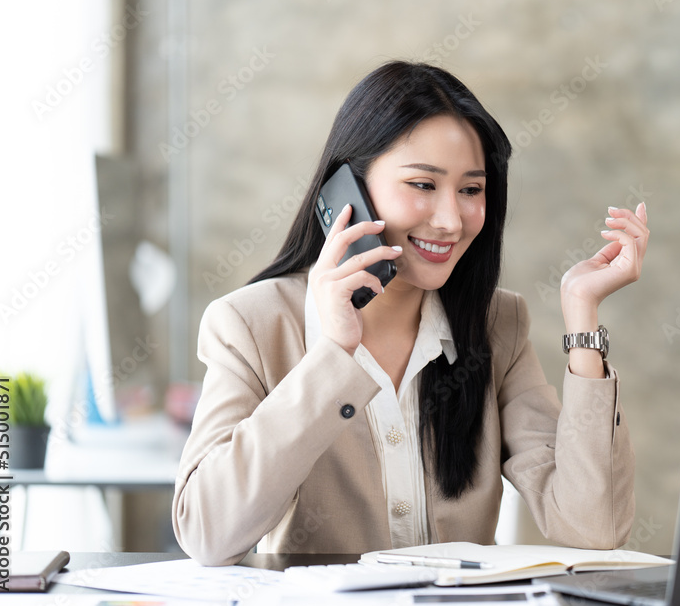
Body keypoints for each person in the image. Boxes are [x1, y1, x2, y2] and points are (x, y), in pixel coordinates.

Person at [172, 61, 650, 566]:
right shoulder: (250, 326)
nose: (449, 221)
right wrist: (333, 355)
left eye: (470, 190)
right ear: (346, 191)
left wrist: (583, 321)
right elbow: (207, 533)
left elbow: (592, 525)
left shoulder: (497, 325)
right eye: (423, 185)